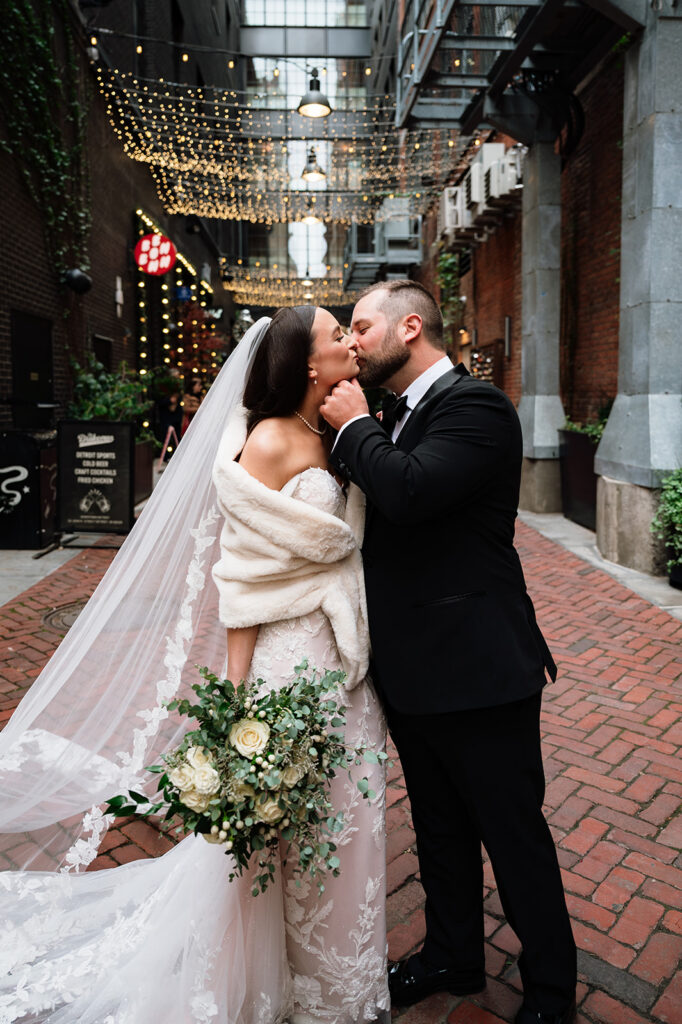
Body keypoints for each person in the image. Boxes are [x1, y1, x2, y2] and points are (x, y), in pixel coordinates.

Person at [0, 307, 388, 1024]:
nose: (351, 345)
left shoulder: (335, 432)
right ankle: (261, 981)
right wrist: (236, 702)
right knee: (273, 833)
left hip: (340, 663)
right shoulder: (270, 444)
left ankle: (336, 984)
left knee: (345, 816)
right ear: (307, 362)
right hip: (286, 660)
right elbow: (239, 586)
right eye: (338, 335)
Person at [321, 280, 577, 1024]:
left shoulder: (477, 408)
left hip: (481, 666)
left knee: (512, 833)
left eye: (361, 327)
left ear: (410, 327)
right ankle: (452, 955)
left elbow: (411, 490)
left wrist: (351, 429)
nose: (351, 341)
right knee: (437, 827)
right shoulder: (391, 412)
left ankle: (552, 991)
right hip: (410, 668)